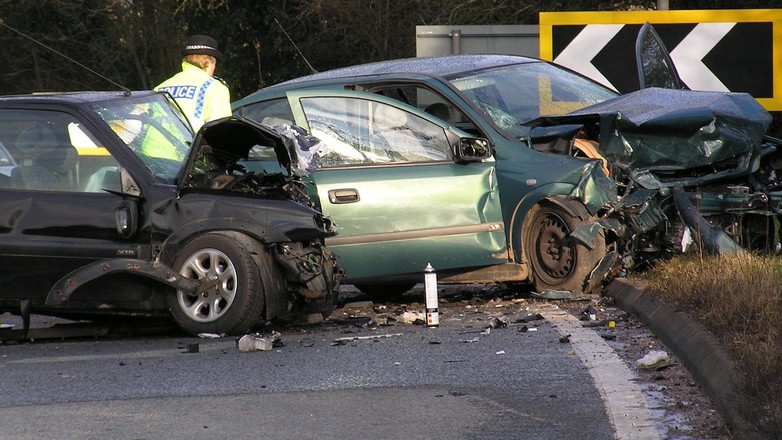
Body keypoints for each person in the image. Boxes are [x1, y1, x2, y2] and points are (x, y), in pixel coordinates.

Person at [155, 35, 231, 132]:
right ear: (207, 63)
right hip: (186, 146)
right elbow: (220, 132)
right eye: (214, 64)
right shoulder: (215, 88)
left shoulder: (160, 88)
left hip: (146, 146)